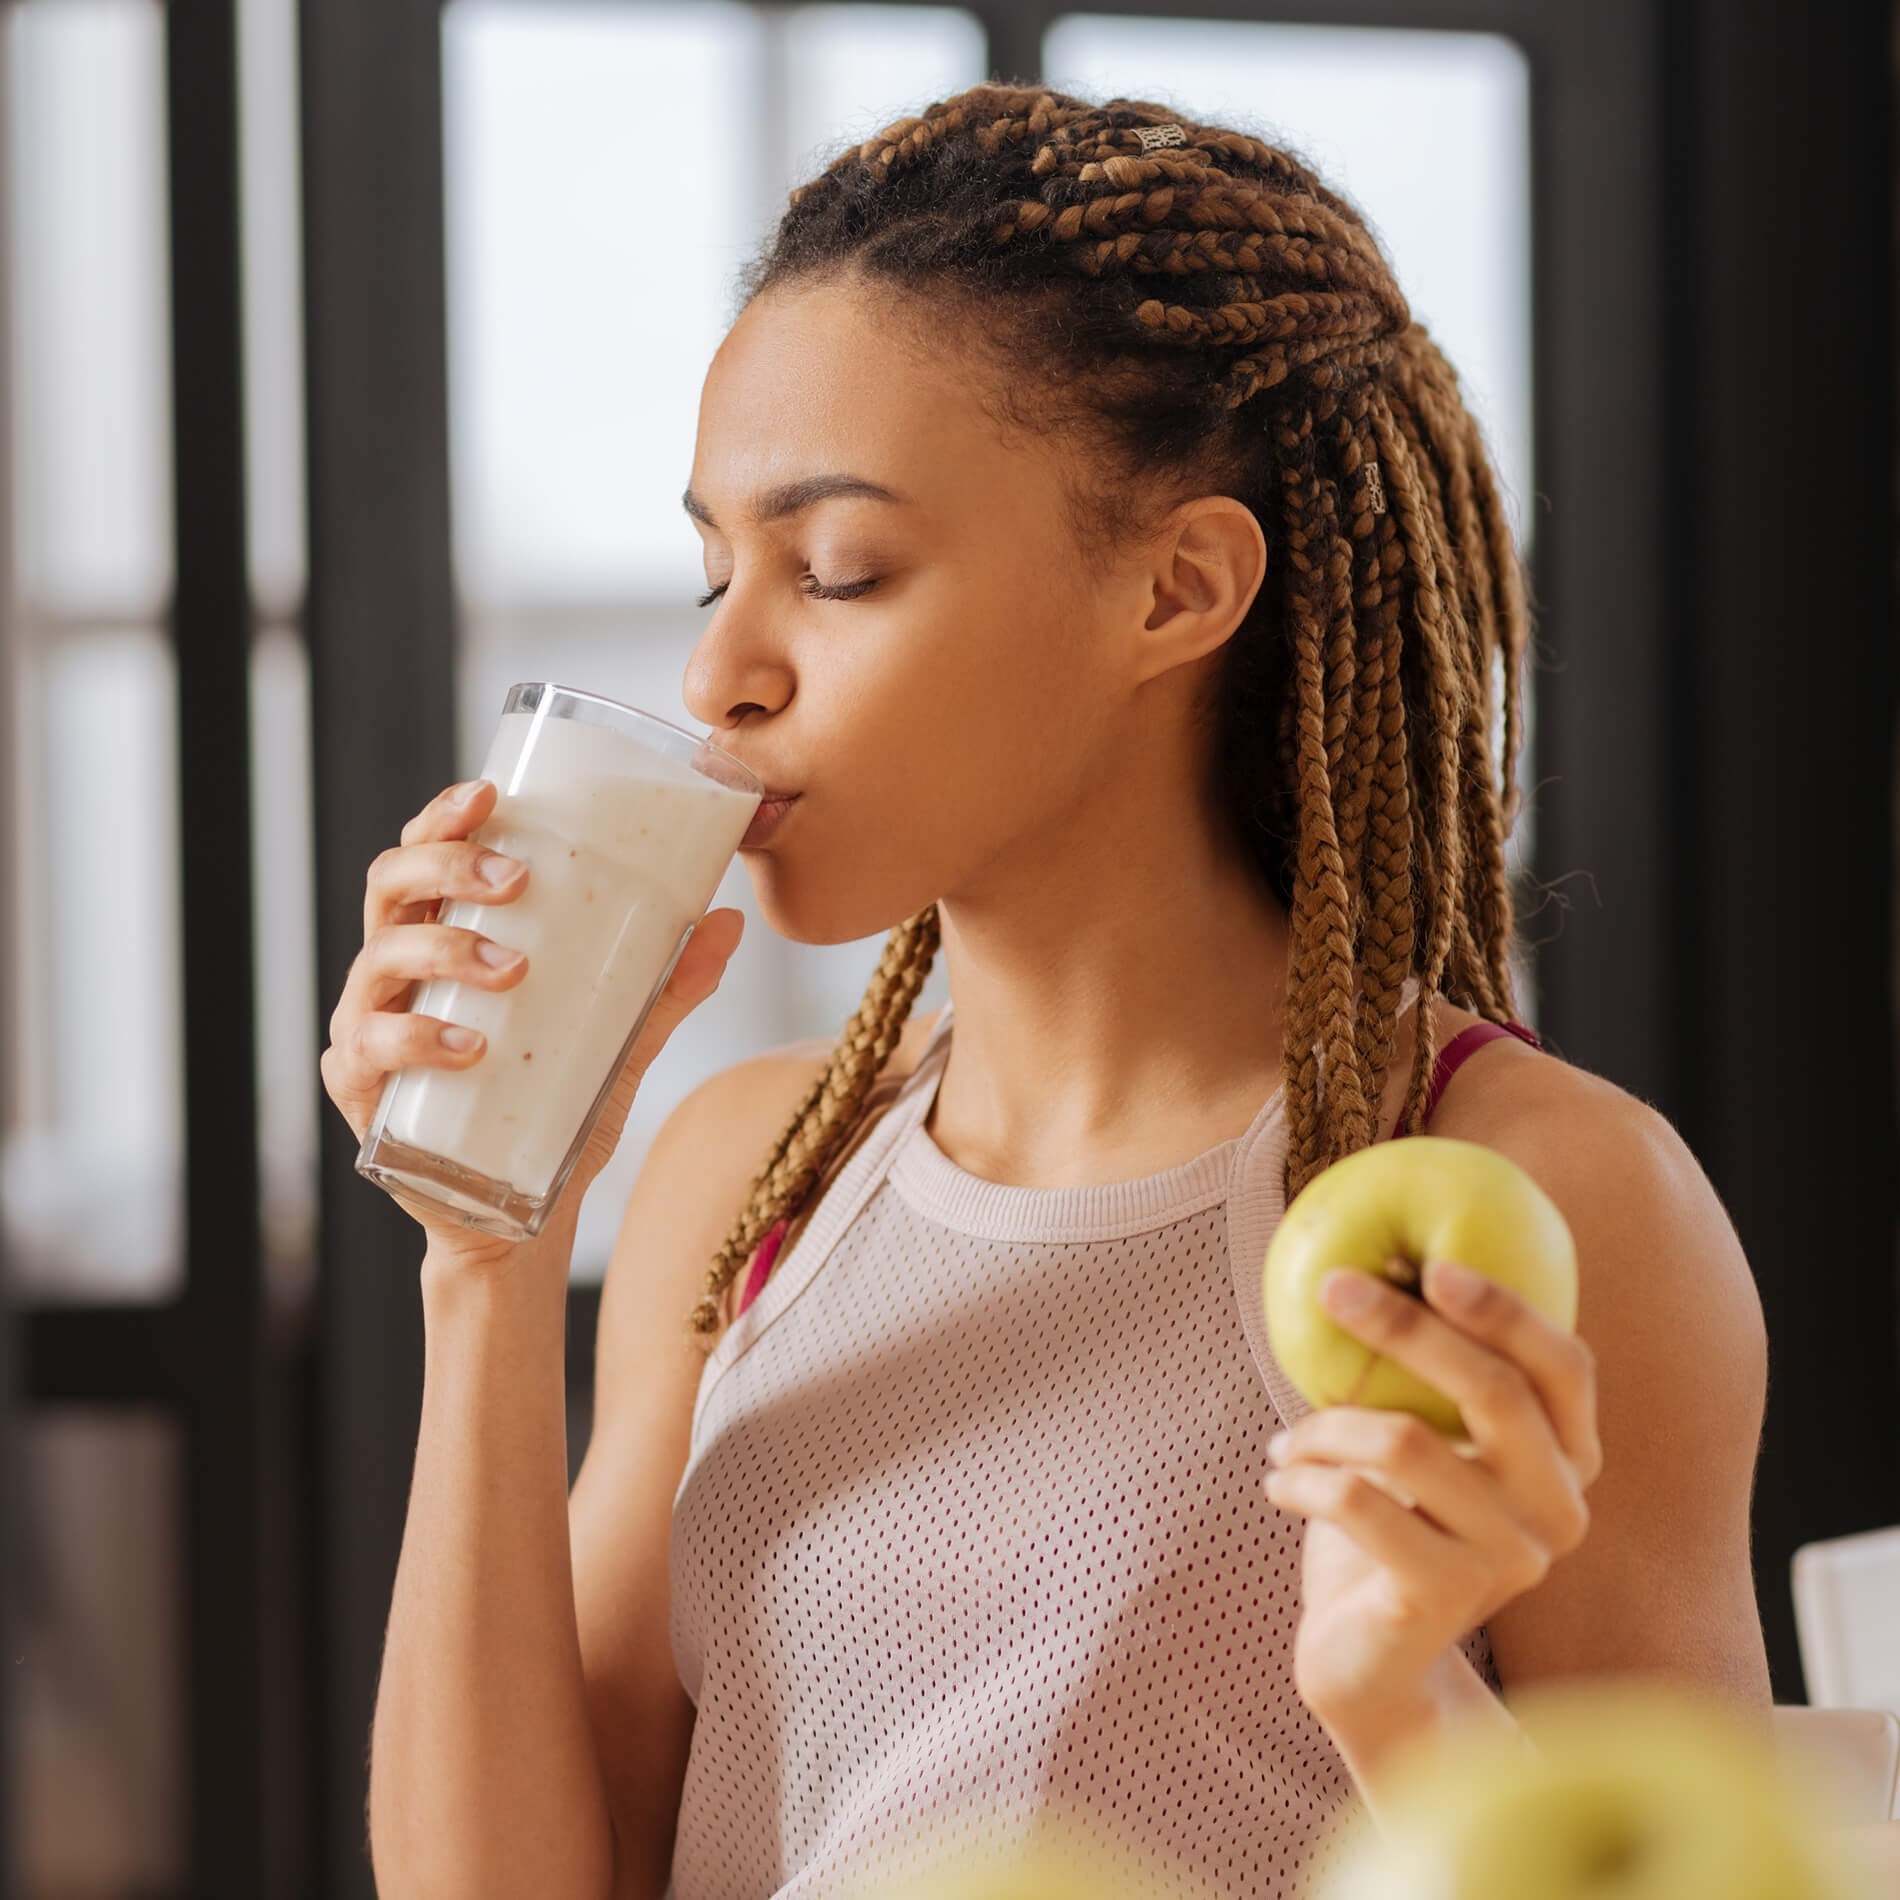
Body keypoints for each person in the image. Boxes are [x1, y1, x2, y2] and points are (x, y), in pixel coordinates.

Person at [323, 85, 1772, 1900]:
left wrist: (1403, 1703)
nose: (720, 674)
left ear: (1177, 587)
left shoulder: (1545, 1199)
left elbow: (1715, 1871)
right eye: (715, 567)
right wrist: (487, 1257)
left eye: (837, 570)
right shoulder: (754, 1173)